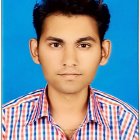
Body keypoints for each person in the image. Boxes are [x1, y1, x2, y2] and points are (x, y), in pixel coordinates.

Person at [2, 0, 138, 139]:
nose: (69, 61)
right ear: (35, 51)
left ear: (104, 52)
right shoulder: (6, 123)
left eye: (83, 45)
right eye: (55, 45)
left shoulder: (129, 125)